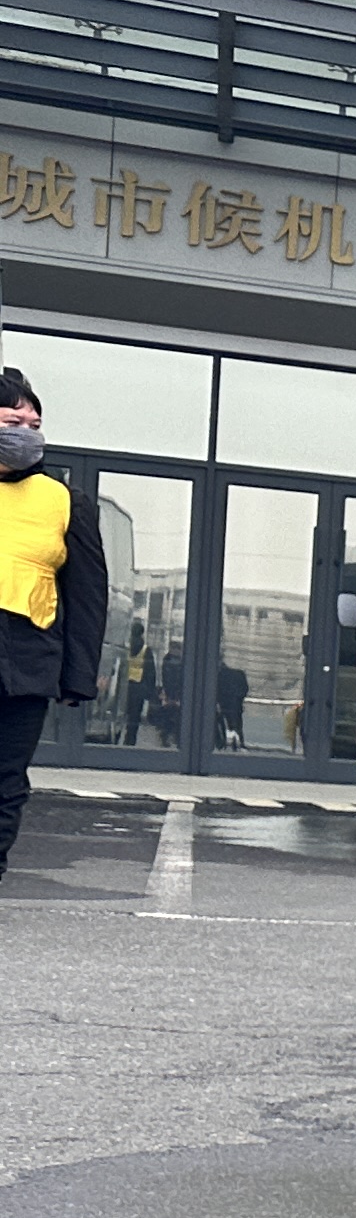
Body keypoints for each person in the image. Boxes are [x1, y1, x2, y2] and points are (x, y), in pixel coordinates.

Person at [0, 368, 111, 879]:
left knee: (6, 780)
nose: (26, 433)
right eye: (12, 422)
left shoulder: (64, 500)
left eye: (35, 425)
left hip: (25, 663)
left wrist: (77, 677)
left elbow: (86, 596)